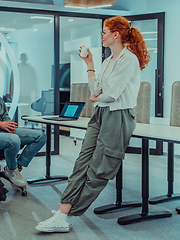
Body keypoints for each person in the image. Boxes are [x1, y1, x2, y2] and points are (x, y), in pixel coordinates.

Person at [35, 16, 150, 233]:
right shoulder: (108, 61)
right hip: (101, 115)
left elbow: (112, 95)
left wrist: (99, 97)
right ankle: (63, 211)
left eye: (104, 32)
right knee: (82, 163)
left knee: (99, 169)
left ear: (115, 34)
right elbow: (97, 91)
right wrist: (90, 65)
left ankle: (65, 212)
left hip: (118, 116)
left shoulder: (129, 60)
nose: (101, 35)